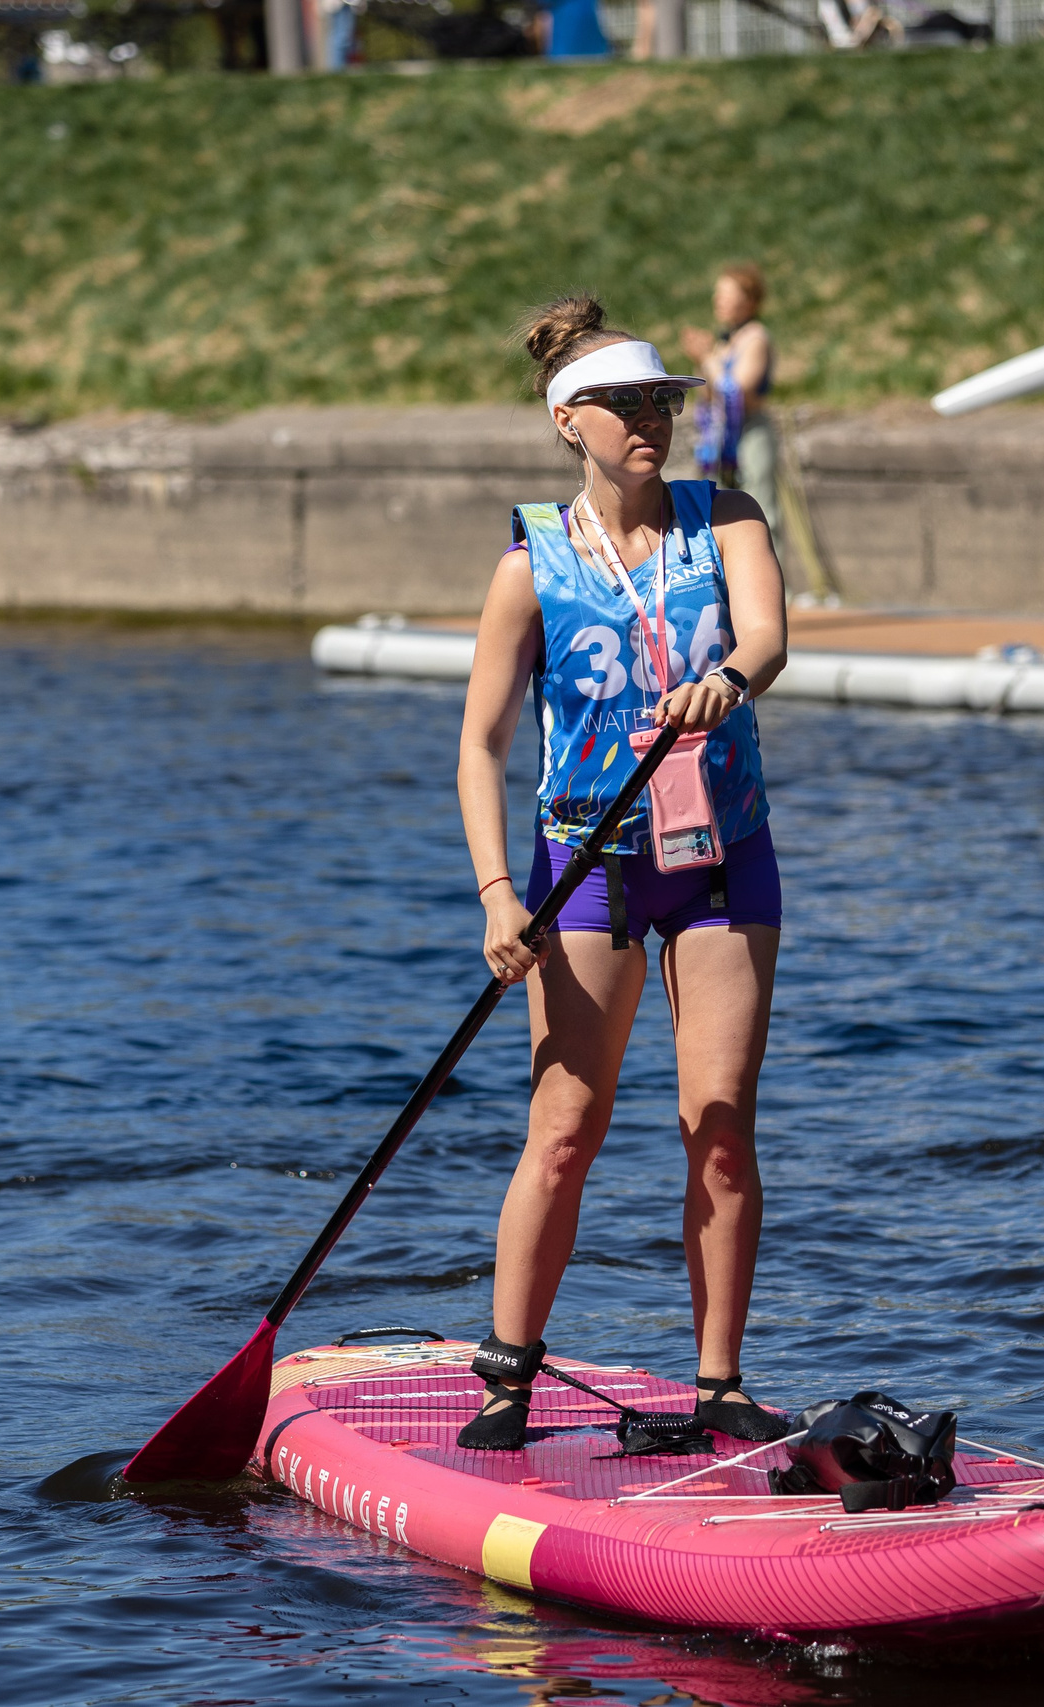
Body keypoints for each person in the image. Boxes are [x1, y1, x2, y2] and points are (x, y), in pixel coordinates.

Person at [453, 295, 793, 1454]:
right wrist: (498, 896)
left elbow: (765, 637)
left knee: (720, 1125)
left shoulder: (724, 516)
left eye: (661, 401)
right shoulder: (529, 566)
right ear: (568, 421)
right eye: (623, 404)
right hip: (586, 864)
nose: (650, 420)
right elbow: (481, 748)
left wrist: (729, 680)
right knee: (567, 1126)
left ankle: (719, 1385)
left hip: (719, 854)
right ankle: (507, 1380)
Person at [681, 264, 779, 534]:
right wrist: (701, 360)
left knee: (760, 506)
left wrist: (707, 358)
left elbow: (737, 390)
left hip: (750, 431)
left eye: (726, 294)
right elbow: (709, 394)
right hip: (722, 435)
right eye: (718, 293)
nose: (718, 300)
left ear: (749, 301)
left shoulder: (755, 337)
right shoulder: (726, 340)